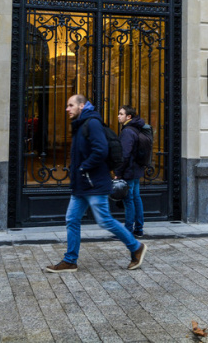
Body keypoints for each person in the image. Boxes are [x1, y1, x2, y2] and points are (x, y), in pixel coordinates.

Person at [45, 94, 147, 273]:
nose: (67, 109)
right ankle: (70, 260)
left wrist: (84, 167)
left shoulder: (91, 123)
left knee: (104, 220)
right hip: (82, 184)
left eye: (70, 105)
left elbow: (100, 149)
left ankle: (136, 247)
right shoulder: (80, 123)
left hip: (93, 183)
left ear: (82, 106)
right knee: (72, 219)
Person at [115, 105, 146, 237]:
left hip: (129, 170)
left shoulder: (127, 131)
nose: (118, 116)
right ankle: (138, 229)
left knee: (129, 200)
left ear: (129, 117)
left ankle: (128, 231)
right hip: (136, 169)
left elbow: (125, 154)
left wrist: (118, 172)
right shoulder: (136, 128)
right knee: (136, 199)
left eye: (121, 114)